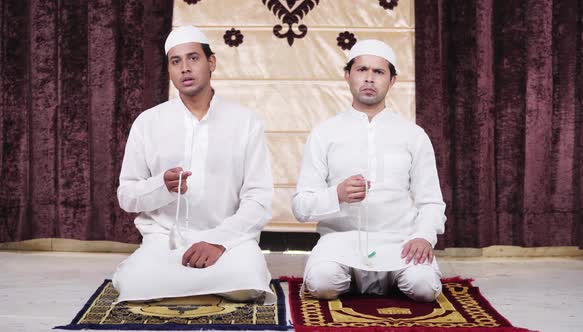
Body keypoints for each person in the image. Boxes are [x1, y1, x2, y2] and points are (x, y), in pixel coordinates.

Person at [113, 26, 275, 304]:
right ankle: (188, 281)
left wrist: (218, 241)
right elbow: (126, 196)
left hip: (228, 241)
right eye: (176, 61)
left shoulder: (244, 121)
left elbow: (259, 199)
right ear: (169, 70)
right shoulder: (148, 123)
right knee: (133, 285)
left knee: (248, 281)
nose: (185, 68)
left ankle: (177, 284)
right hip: (166, 240)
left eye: (193, 58)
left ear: (211, 62)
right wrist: (160, 186)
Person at [292, 39, 446, 302]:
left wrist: (423, 237)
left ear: (392, 80)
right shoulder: (324, 133)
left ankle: (394, 276)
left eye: (379, 72)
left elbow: (431, 200)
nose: (369, 79)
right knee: (322, 284)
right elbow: (301, 207)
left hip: (400, 242)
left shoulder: (413, 135)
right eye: (362, 70)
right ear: (347, 76)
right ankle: (356, 277)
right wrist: (337, 194)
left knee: (424, 289)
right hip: (341, 243)